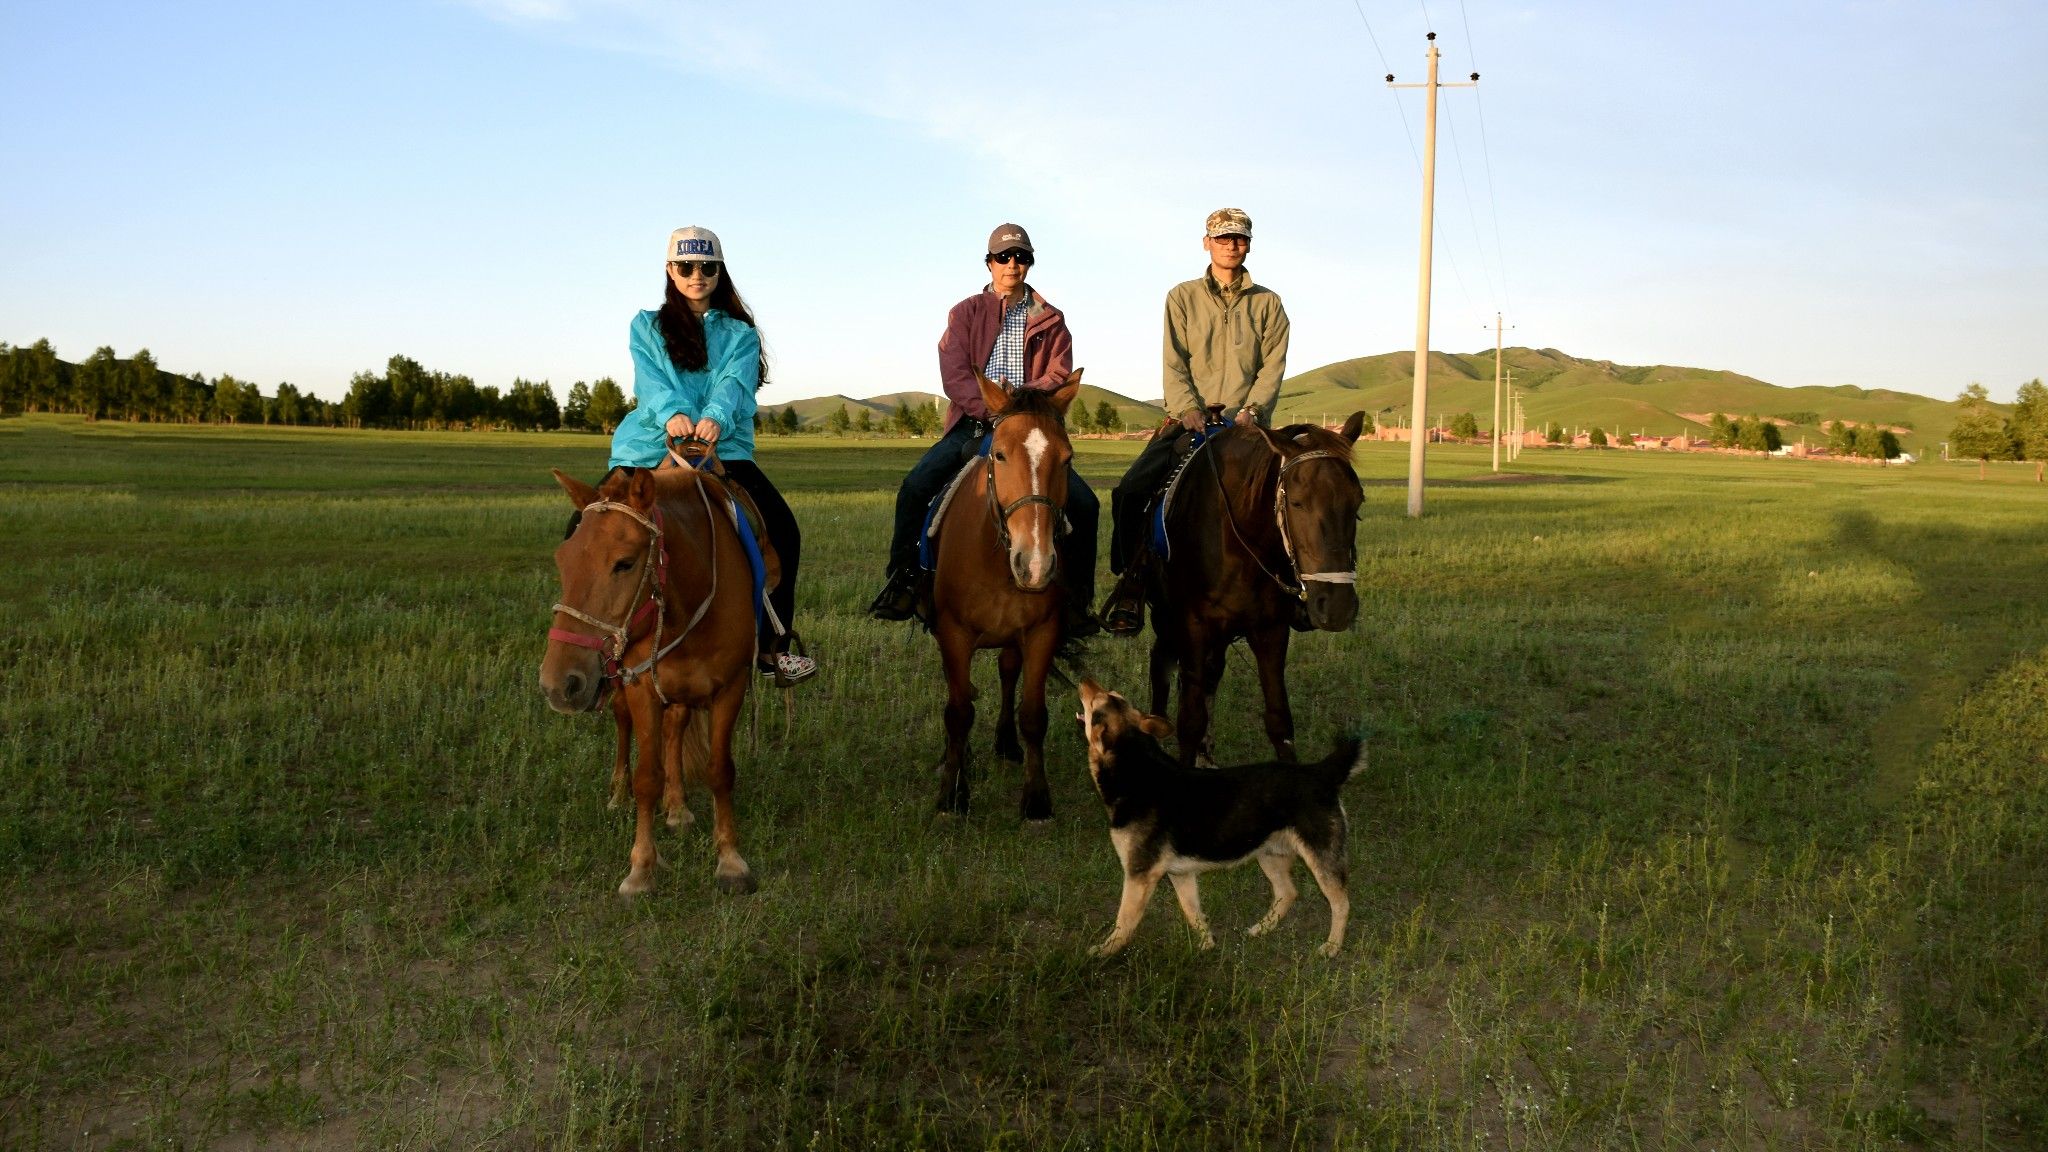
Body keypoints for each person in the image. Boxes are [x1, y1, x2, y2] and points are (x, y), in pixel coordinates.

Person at [867, 223, 1100, 638]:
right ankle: (902, 580)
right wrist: (992, 408)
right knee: (916, 487)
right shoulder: (964, 313)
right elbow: (955, 376)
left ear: (1029, 263)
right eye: (1003, 257)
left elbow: (1059, 372)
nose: (1012, 264)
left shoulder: (1051, 319)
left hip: (1028, 427)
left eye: (1021, 257)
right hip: (973, 423)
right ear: (989, 262)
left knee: (1085, 505)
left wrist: (1020, 404)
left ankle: (1078, 601)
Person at [609, 225, 817, 685]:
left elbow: (735, 383)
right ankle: (598, 644)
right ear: (670, 270)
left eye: (707, 267)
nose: (696, 275)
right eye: (686, 267)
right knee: (591, 523)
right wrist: (672, 414)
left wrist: (716, 418)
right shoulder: (645, 325)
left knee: (783, 530)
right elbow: (649, 380)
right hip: (650, 443)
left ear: (719, 272)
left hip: (723, 446)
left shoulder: (740, 333)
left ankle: (773, 649)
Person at [1099, 207, 1292, 636]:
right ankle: (1133, 585)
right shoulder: (1182, 296)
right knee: (1131, 491)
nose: (1231, 245)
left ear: (1249, 244)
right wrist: (1187, 408)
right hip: (1188, 421)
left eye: (1239, 238)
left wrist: (1252, 413)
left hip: (1249, 424)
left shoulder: (1269, 303)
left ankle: (1292, 591)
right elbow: (1175, 360)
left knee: (1295, 495)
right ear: (1206, 242)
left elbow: (1272, 366)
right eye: (1223, 238)